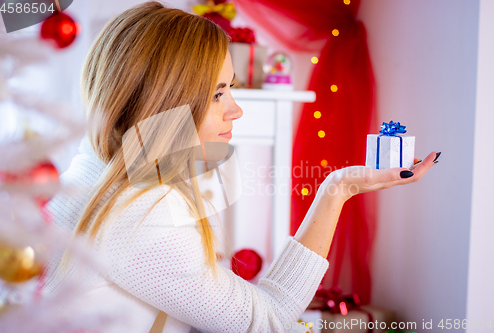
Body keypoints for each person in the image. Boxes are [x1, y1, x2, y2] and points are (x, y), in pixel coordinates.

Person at [43, 2, 439, 332]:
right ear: (164, 100)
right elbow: (266, 323)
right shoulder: (141, 208)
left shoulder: (91, 169)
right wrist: (339, 189)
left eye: (231, 88)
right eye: (218, 93)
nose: (236, 109)